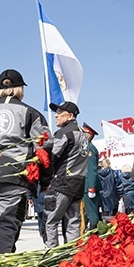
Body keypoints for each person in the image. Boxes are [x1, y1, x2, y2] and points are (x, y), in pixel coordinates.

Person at [0, 70, 48, 258]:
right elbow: (44, 149)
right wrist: (44, 181)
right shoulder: (31, 113)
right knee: (4, 229)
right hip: (12, 177)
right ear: (20, 89)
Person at [42, 101, 90, 248]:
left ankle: (52, 256)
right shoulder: (83, 134)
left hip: (61, 183)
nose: (55, 116)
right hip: (78, 184)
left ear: (70, 115)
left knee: (49, 221)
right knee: (73, 223)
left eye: (59, 113)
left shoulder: (64, 133)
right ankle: (72, 256)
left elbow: (51, 157)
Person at [81, 123, 101, 232]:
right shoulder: (86, 147)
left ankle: (95, 235)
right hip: (87, 184)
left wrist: (91, 187)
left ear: (89, 135)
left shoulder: (90, 149)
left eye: (84, 133)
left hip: (89, 185)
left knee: (92, 213)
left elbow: (92, 169)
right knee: (89, 212)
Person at [97, 157, 120, 222]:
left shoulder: (98, 174)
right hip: (113, 195)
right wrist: (120, 195)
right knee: (114, 215)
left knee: (105, 213)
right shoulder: (113, 172)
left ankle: (106, 225)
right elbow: (118, 184)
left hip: (102, 196)